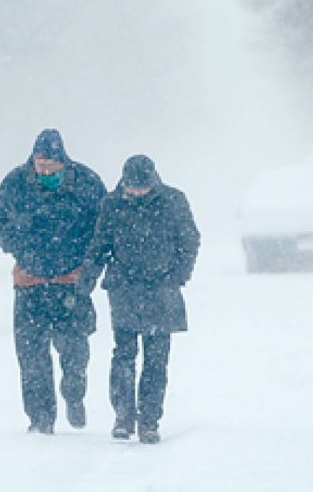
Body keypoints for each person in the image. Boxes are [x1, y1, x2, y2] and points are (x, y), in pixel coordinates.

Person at [0, 128, 106, 434]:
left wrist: (86, 263)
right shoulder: (16, 183)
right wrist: (19, 247)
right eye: (41, 163)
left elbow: (103, 227)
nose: (46, 169)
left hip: (71, 282)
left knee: (74, 350)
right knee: (31, 355)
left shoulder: (86, 183)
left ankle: (74, 393)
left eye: (52, 164)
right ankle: (41, 418)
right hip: (30, 282)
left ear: (63, 160)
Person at [77, 154, 200, 444]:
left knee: (157, 360)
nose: (135, 192)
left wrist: (179, 275)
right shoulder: (112, 204)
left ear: (153, 181)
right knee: (123, 355)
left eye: (141, 188)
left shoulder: (173, 201)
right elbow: (100, 245)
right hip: (124, 289)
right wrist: (87, 281)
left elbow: (190, 239)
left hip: (162, 289)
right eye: (131, 188)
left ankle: (149, 420)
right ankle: (123, 415)